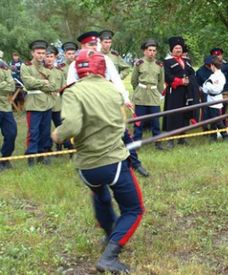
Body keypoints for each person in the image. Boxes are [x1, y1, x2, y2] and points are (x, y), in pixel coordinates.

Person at [51, 49, 144, 273]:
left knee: (100, 194)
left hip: (87, 168)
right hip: (113, 163)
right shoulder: (112, 90)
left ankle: (109, 233)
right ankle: (109, 256)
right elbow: (120, 125)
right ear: (102, 67)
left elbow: (71, 126)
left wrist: (57, 134)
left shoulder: (72, 92)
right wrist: (63, 132)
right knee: (134, 209)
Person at [68, 31, 149, 177]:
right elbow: (70, 86)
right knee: (87, 137)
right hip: (87, 107)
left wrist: (125, 98)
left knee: (123, 134)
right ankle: (84, 167)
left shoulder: (105, 60)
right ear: (82, 46)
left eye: (95, 44)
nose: (93, 47)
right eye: (89, 45)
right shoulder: (75, 64)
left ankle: (135, 164)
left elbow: (116, 80)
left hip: (108, 105)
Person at [21, 40, 56, 166]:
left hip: (47, 104)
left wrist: (38, 83)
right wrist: (44, 83)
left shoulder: (46, 68)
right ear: (32, 53)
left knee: (45, 132)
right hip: (34, 105)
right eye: (38, 53)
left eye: (43, 53)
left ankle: (42, 155)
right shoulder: (26, 66)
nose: (41, 55)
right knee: (33, 132)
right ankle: (31, 157)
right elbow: (28, 83)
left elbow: (53, 85)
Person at [163, 36, 199, 148]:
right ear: (171, 50)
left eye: (180, 48)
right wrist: (180, 81)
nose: (178, 50)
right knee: (173, 114)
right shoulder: (167, 62)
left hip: (186, 92)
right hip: (174, 92)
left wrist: (189, 81)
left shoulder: (186, 61)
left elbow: (192, 73)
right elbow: (167, 76)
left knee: (185, 113)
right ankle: (171, 140)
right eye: (176, 48)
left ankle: (182, 137)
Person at [131, 39, 165, 150]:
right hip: (141, 95)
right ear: (145, 51)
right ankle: (136, 143)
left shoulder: (159, 65)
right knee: (139, 121)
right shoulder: (139, 63)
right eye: (149, 50)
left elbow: (161, 81)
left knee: (155, 121)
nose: (151, 52)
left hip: (154, 96)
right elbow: (134, 80)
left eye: (154, 50)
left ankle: (158, 143)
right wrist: (138, 91)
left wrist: (158, 93)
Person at [44, 46, 69, 151]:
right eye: (47, 56)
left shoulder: (59, 71)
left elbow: (64, 87)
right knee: (45, 128)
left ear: (55, 57)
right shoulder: (41, 71)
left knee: (61, 126)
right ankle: (47, 148)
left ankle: (66, 146)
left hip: (58, 103)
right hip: (45, 103)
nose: (49, 58)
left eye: (51, 56)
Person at [202, 55, 228, 141]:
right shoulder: (213, 75)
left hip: (216, 100)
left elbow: (215, 89)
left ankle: (225, 136)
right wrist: (208, 86)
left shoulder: (220, 76)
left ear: (213, 66)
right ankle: (213, 137)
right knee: (212, 120)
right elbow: (204, 87)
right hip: (210, 99)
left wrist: (208, 86)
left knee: (217, 120)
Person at [0, 59, 17, 171]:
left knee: (11, 133)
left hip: (5, 107)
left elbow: (12, 87)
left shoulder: (4, 68)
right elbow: (8, 84)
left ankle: (5, 159)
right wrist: (6, 83)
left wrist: (3, 84)